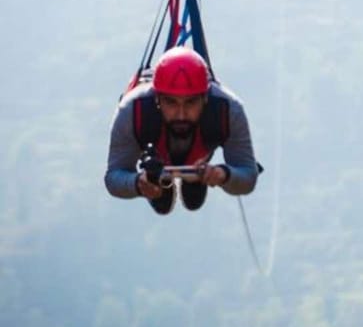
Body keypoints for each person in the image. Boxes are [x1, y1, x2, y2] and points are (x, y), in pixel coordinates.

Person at [105, 46, 259, 215]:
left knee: (193, 200)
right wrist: (139, 183)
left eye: (191, 102)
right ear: (157, 99)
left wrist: (221, 174)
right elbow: (113, 177)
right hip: (158, 157)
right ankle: (161, 180)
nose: (181, 114)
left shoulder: (228, 110)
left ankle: (194, 179)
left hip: (199, 156)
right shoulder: (132, 111)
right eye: (171, 102)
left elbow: (248, 176)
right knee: (162, 202)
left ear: (205, 98)